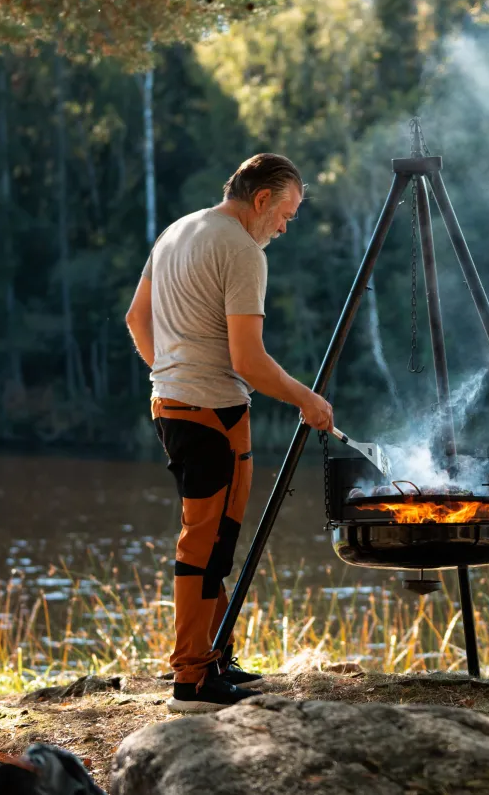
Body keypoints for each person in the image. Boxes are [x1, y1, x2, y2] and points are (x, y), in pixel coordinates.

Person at [124, 153, 334, 712]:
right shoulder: (241, 249)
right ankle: (190, 679)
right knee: (203, 545)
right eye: (286, 213)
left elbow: (136, 318)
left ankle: (214, 658)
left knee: (216, 542)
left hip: (174, 405)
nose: (286, 226)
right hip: (211, 413)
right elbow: (248, 360)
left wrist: (166, 373)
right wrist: (306, 399)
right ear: (261, 200)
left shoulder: (177, 231)